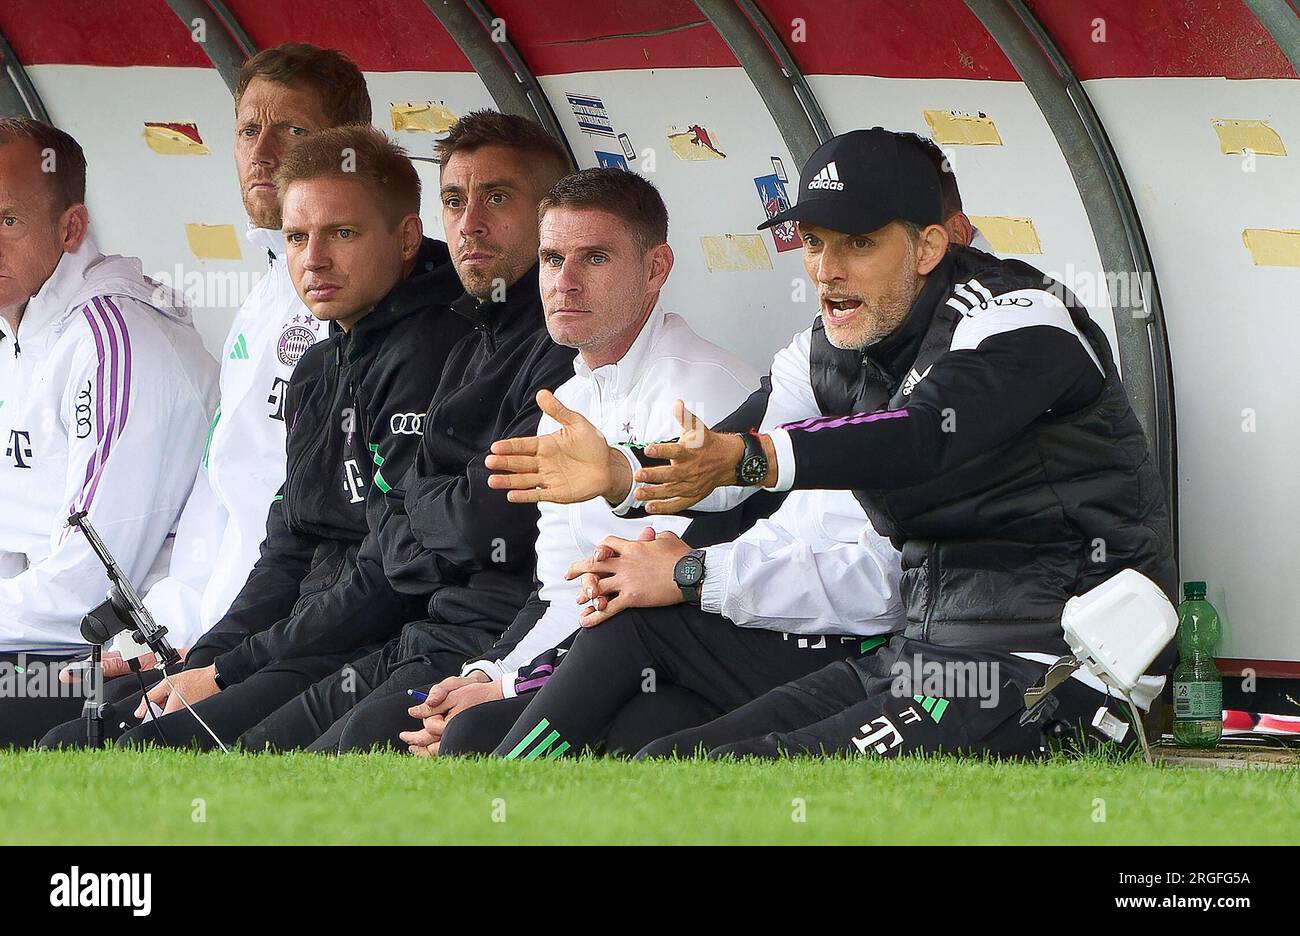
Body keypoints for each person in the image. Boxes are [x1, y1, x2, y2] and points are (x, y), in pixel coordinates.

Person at [485, 127, 1176, 760]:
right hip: (922, 656)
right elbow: (727, 459)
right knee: (672, 763)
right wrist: (623, 473)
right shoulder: (824, 351)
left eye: (858, 243)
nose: (826, 270)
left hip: (1058, 674)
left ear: (929, 247)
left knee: (745, 777)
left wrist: (752, 463)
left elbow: (920, 438)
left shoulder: (1023, 317)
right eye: (814, 242)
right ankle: (497, 807)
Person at [41, 125, 472, 748]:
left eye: (341, 234)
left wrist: (226, 670)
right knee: (70, 732)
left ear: (407, 238)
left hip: (373, 644)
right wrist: (202, 661)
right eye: (297, 237)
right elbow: (287, 546)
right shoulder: (319, 366)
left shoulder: (433, 352)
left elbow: (387, 577)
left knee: (150, 750)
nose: (314, 258)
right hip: (298, 633)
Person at [377, 166, 791, 756]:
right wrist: (489, 675)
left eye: (593, 259)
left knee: (478, 737)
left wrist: (514, 684)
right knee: (450, 724)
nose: (563, 284)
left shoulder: (704, 390)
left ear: (656, 269)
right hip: (593, 654)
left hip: (696, 666)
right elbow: (556, 589)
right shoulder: (567, 402)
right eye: (551, 259)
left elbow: (641, 602)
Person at [224, 111, 580, 753]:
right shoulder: (468, 333)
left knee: (287, 768)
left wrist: (423, 512)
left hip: (487, 641)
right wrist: (217, 658)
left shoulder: (549, 347)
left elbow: (477, 526)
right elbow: (355, 535)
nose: (470, 223)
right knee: (222, 753)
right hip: (413, 629)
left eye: (496, 198)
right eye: (454, 199)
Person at [132, 43, 370, 663]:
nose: (263, 153)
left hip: (293, 628)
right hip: (212, 622)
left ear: (352, 146)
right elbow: (222, 487)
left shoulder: (367, 302)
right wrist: (167, 623)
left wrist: (217, 651)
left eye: (292, 129)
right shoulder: (261, 296)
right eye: (248, 130)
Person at [0, 118, 217, 745]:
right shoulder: (19, 330)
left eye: (8, 220)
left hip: (134, 655)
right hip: (48, 642)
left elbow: (93, 582)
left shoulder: (114, 341)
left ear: (70, 229)